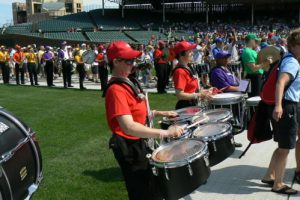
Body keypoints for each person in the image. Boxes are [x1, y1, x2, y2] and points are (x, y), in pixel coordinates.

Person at [104, 41, 183, 200]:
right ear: (116, 62)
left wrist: (160, 112)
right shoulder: (116, 89)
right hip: (130, 147)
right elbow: (129, 126)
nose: (133, 64)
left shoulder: (128, 81)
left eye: (133, 60)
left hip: (139, 142)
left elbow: (137, 113)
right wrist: (165, 133)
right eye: (128, 61)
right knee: (141, 192)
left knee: (151, 187)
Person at [262, 28, 300, 195]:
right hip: (287, 106)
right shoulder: (292, 62)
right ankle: (278, 184)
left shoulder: (288, 58)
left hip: (285, 105)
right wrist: (278, 106)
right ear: (293, 45)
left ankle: (269, 175)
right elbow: (281, 83)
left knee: (281, 146)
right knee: (285, 148)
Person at [172, 40, 212, 109]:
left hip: (192, 105)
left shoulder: (188, 67)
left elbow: (192, 90)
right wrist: (198, 95)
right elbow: (179, 95)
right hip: (186, 108)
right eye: (189, 51)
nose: (192, 53)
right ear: (182, 55)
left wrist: (204, 91)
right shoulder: (180, 71)